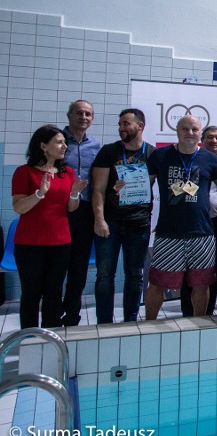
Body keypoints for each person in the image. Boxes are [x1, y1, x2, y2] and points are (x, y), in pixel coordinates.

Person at [144, 116, 217, 319]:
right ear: (177, 130)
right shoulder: (160, 156)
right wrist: (127, 188)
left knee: (201, 283)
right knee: (157, 284)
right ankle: (148, 325)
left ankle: (199, 323)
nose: (190, 133)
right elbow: (144, 187)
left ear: (200, 133)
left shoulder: (211, 159)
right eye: (185, 129)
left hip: (202, 232)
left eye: (194, 129)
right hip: (168, 232)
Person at [13, 125, 88, 328]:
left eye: (65, 142)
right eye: (59, 142)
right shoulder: (24, 172)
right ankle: (29, 338)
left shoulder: (68, 173)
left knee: (54, 293)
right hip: (30, 244)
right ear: (44, 146)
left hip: (60, 242)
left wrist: (74, 194)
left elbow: (71, 208)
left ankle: (50, 338)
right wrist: (39, 193)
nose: (64, 146)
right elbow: (19, 207)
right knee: (31, 293)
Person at [91, 108, 155, 323]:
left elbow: (153, 186)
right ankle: (104, 322)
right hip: (110, 222)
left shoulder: (152, 154)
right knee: (104, 275)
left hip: (138, 223)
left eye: (126, 124)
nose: (121, 128)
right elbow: (98, 189)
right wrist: (99, 219)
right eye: (120, 124)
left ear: (140, 125)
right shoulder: (109, 152)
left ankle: (130, 320)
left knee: (135, 275)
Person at [180, 126, 217, 317]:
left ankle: (208, 311)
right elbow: (180, 190)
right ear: (202, 139)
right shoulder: (192, 160)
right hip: (193, 221)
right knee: (189, 267)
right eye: (210, 138)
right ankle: (187, 310)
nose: (214, 141)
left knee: (214, 268)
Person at [61, 100, 101, 326]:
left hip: (85, 212)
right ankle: (53, 312)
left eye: (88, 114)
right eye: (79, 113)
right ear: (69, 116)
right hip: (59, 211)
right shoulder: (57, 140)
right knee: (58, 266)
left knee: (79, 266)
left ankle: (72, 315)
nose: (83, 117)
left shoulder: (95, 145)